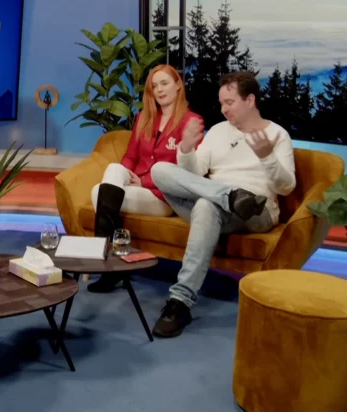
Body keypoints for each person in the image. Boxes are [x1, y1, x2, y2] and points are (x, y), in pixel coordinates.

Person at [150, 71, 296, 338]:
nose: (223, 109)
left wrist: (268, 158)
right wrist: (186, 150)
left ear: (249, 100)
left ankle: (180, 301)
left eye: (229, 102)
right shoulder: (217, 131)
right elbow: (194, 175)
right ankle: (230, 196)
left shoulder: (277, 134)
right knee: (160, 170)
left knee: (205, 206)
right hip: (215, 202)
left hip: (257, 211)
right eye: (221, 103)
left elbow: (286, 187)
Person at [88, 64, 204, 293]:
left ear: (178, 85)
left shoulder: (191, 121)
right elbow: (131, 156)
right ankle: (111, 266)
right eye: (154, 86)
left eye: (164, 83)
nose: (159, 90)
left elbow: (186, 172)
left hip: (163, 196)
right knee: (112, 172)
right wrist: (123, 177)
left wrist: (145, 182)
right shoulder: (144, 118)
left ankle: (107, 264)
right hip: (135, 186)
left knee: (98, 193)